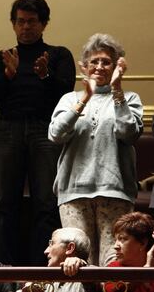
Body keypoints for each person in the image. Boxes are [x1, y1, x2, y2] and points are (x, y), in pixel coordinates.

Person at [0, 0, 76, 266]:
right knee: (3, 204)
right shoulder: (1, 57)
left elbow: (65, 94)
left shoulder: (58, 55)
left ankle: (43, 269)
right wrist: (8, 75)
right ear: (13, 24)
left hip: (45, 131)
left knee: (46, 203)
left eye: (32, 21)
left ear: (44, 23)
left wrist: (45, 75)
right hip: (8, 131)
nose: (26, 27)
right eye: (20, 21)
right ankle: (1, 272)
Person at [48, 33, 144, 266]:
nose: (99, 66)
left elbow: (129, 133)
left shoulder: (129, 98)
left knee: (113, 263)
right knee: (77, 264)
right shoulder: (69, 98)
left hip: (115, 191)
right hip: (73, 192)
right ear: (84, 67)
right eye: (94, 61)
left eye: (106, 61)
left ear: (117, 66)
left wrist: (117, 90)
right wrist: (84, 100)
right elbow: (56, 134)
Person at [18, 227, 95, 292]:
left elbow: (99, 283)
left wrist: (82, 264)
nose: (46, 251)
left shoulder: (86, 278)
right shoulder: (48, 283)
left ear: (70, 248)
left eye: (52, 244)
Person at [104, 212, 154, 292]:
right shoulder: (113, 269)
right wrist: (146, 271)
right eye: (115, 240)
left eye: (122, 239)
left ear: (143, 243)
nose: (115, 246)